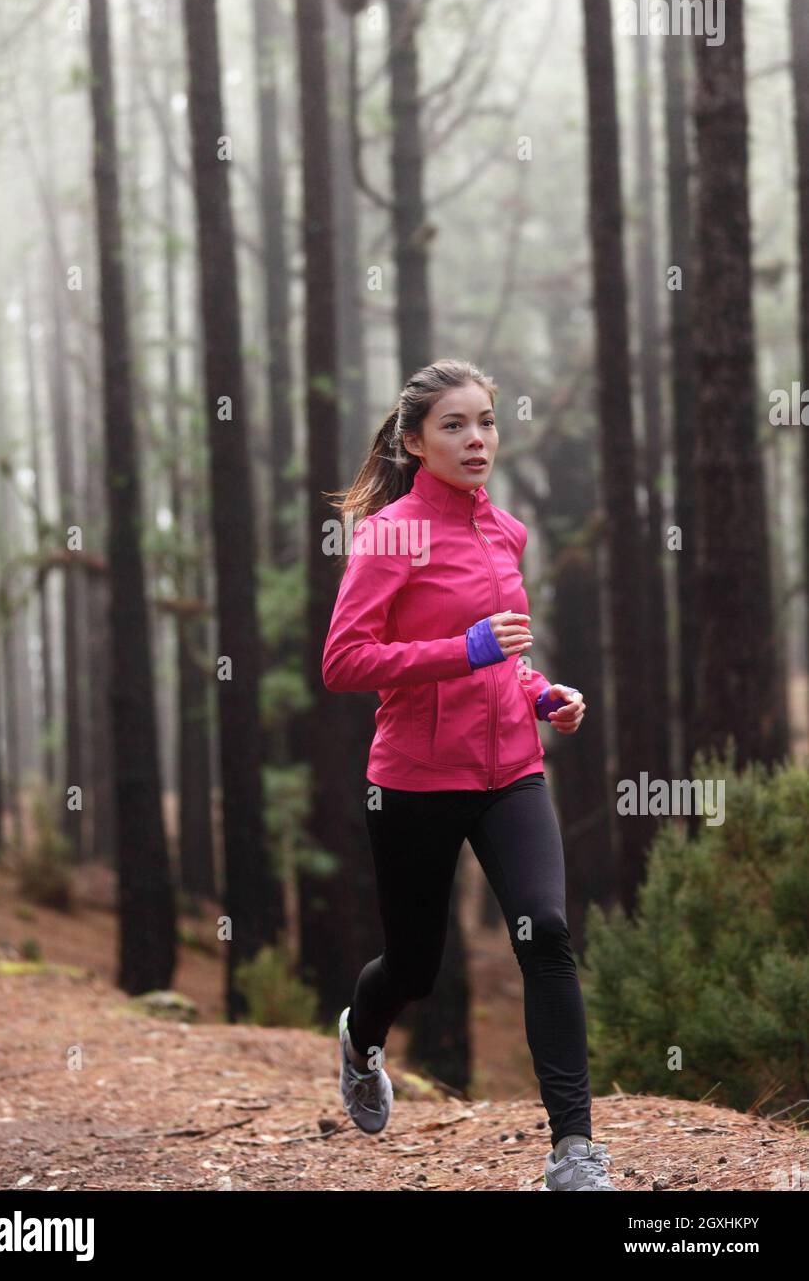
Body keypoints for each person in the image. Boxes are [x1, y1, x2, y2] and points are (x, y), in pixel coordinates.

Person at [321, 358, 616, 1191]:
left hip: (511, 773)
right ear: (415, 444)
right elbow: (345, 662)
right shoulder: (389, 535)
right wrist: (466, 650)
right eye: (454, 425)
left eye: (485, 421)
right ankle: (362, 1037)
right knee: (413, 968)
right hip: (415, 778)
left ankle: (574, 1150)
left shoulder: (507, 532)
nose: (477, 438)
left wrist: (540, 692)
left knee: (547, 935)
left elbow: (506, 663)